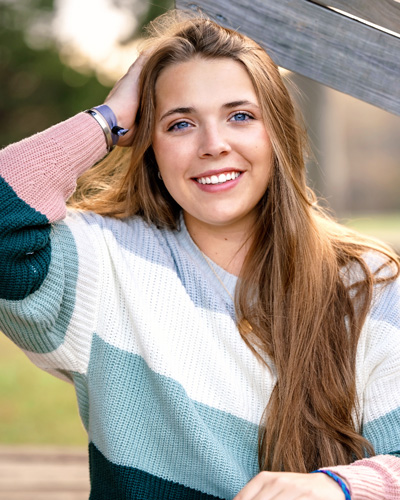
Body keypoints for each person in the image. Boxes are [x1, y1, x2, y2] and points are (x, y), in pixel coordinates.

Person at [0, 10, 399, 500]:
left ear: (277, 135)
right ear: (149, 146)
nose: (213, 145)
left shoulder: (368, 282)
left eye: (240, 116)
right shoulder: (105, 263)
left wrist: (335, 487)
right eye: (181, 123)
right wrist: (107, 119)